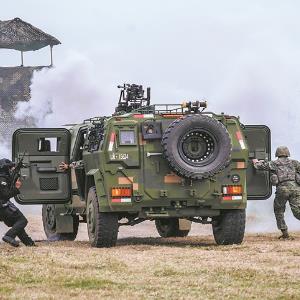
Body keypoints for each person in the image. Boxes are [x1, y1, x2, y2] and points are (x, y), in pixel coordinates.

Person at [253, 146, 300, 239]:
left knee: (279, 211)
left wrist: (255, 161)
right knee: (297, 211)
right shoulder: (295, 163)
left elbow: (259, 166)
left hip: (282, 189)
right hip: (296, 189)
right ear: (287, 153)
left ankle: (285, 234)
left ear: (277, 154)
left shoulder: (274, 163)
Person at [0, 158, 35, 247]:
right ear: (5, 168)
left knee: (17, 223)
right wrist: (16, 188)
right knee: (22, 220)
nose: (11, 170)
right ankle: (9, 236)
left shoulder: (4, 177)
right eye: (10, 168)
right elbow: (5, 194)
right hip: (3, 205)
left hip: (3, 206)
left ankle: (29, 243)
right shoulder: (2, 179)